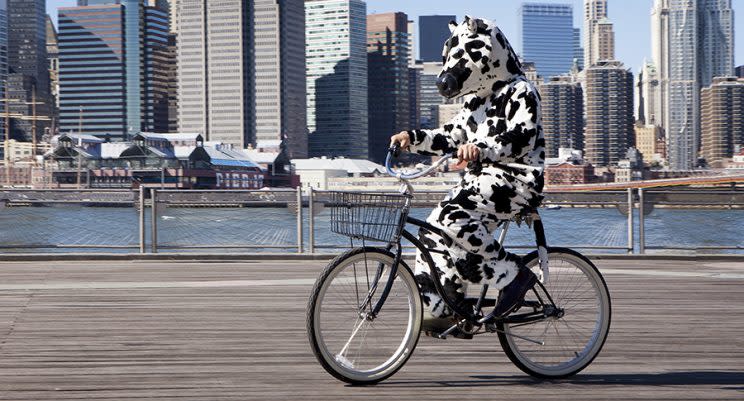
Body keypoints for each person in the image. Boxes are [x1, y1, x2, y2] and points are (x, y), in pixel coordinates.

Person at [389, 16, 545, 334]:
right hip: (481, 181)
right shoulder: (475, 102)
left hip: (518, 179)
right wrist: (412, 138)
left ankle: (514, 276)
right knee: (432, 232)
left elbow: (522, 137)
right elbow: (451, 136)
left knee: (450, 215)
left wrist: (482, 149)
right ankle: (441, 309)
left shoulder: (521, 91)